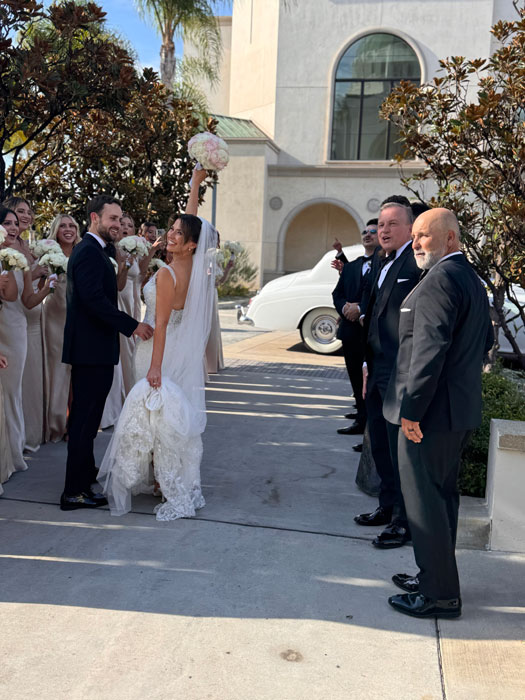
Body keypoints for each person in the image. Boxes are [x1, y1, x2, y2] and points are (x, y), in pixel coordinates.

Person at [384, 208, 493, 618]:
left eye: (424, 235)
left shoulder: (441, 279)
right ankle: (435, 576)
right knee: (441, 500)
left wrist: (412, 410)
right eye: (413, 235)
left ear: (449, 238)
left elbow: (429, 352)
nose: (415, 243)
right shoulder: (469, 278)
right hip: (454, 411)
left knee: (424, 504)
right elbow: (485, 341)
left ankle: (439, 595)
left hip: (428, 416)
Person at [98, 168, 218, 521]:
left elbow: (161, 324)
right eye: (172, 229)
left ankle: (164, 481)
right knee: (170, 416)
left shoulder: (167, 274)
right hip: (180, 350)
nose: (171, 234)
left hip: (158, 350)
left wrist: (154, 367)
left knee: (155, 415)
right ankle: (161, 480)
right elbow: (193, 224)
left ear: (191, 243)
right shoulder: (193, 268)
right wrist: (195, 184)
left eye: (178, 233)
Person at [60, 195, 153, 511]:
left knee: (90, 420)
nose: (117, 224)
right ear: (94, 218)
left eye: (120, 218)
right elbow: (94, 301)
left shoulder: (100, 250)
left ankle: (85, 476)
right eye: (112, 218)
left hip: (96, 348)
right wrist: (132, 325)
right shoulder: (88, 251)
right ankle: (73, 492)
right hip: (89, 350)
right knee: (84, 422)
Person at [354, 202, 420, 549]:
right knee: (379, 443)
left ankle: (403, 522)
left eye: (392, 224)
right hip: (377, 368)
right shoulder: (382, 260)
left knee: (399, 451)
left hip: (401, 371)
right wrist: (367, 364)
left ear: (410, 228)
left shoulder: (416, 263)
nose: (384, 230)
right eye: (381, 224)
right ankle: (387, 506)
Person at [332, 220, 379, 434]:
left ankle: (370, 425)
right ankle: (361, 420)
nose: (368, 235)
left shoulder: (384, 264)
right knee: (355, 378)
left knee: (371, 381)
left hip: (371, 334)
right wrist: (344, 308)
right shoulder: (351, 267)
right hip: (350, 332)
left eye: (373, 231)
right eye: (365, 232)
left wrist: (359, 308)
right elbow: (337, 293)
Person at [42, 214, 81, 442]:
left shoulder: (82, 253)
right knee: (58, 370)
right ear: (56, 231)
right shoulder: (47, 255)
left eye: (72, 226)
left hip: (79, 318)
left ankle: (73, 422)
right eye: (63, 226)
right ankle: (57, 423)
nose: (68, 229)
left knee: (77, 372)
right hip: (55, 317)